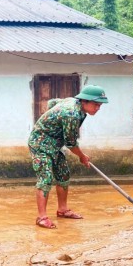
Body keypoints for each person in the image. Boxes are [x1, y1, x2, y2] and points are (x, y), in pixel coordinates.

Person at [28, 85, 109, 229]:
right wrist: (82, 156)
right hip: (40, 144)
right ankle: (42, 217)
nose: (98, 108)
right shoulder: (71, 113)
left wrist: (52, 121)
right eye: (96, 104)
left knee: (63, 175)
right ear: (84, 101)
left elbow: (52, 102)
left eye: (100, 105)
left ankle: (62, 210)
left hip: (54, 144)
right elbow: (71, 143)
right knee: (45, 178)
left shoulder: (77, 105)